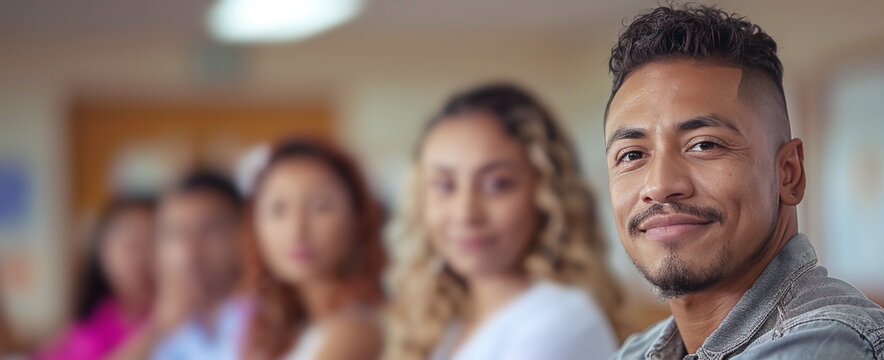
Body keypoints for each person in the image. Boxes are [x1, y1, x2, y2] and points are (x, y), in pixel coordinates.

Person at [603, 4, 884, 359]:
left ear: (788, 174)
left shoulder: (827, 341)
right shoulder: (637, 351)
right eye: (632, 155)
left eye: (704, 144)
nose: (658, 185)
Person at [386, 84, 626, 360]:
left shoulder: (560, 321)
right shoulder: (447, 325)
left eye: (497, 184)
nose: (466, 213)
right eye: (445, 185)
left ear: (547, 195)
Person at [242, 138, 387, 360]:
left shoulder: (357, 329)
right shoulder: (294, 327)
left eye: (320, 206)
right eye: (278, 209)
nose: (296, 230)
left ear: (358, 218)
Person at [111, 171, 250, 360]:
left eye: (209, 230)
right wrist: (158, 330)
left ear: (245, 233)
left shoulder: (270, 317)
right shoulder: (168, 328)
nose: (189, 251)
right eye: (174, 233)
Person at [38, 197, 157, 360]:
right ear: (101, 250)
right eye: (130, 242)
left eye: (150, 242)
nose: (140, 256)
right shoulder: (94, 316)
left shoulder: (178, 316)